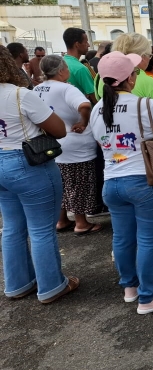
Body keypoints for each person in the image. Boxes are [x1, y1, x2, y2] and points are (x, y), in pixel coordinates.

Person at [90, 51, 153, 314]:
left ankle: (130, 288)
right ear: (130, 77)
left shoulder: (98, 109)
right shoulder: (145, 105)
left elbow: (101, 143)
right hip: (146, 180)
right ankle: (148, 296)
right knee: (150, 240)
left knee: (122, 238)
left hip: (112, 181)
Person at [0, 46, 79, 303]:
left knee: (11, 227)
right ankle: (51, 286)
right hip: (27, 163)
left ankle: (18, 283)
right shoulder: (21, 95)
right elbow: (58, 130)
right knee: (41, 229)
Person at [33, 55, 100, 236]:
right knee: (78, 183)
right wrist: (83, 122)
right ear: (62, 70)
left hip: (51, 144)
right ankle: (81, 222)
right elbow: (85, 105)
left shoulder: (37, 89)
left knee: (61, 184)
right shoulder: (67, 88)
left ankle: (61, 219)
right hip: (75, 142)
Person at [62, 28, 96, 104]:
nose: (88, 45)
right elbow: (94, 96)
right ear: (77, 44)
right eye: (86, 42)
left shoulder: (60, 63)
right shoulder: (80, 68)